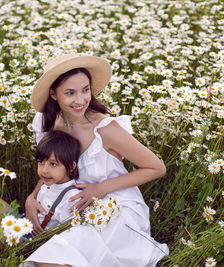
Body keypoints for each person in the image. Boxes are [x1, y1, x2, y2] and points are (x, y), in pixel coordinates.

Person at [25, 54, 169, 266]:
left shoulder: (105, 129)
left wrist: (101, 188)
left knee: (48, 260)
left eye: (85, 90)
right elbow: (52, 166)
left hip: (113, 208)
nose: (81, 100)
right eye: (70, 93)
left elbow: (156, 168)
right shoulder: (48, 122)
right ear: (54, 94)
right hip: (69, 203)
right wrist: (32, 196)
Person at [0, 130, 81, 230]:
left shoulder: (71, 198)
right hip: (24, 221)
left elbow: (66, 234)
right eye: (41, 162)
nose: (44, 170)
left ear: (71, 167)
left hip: (30, 237)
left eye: (53, 164)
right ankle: (0, 229)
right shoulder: (51, 180)